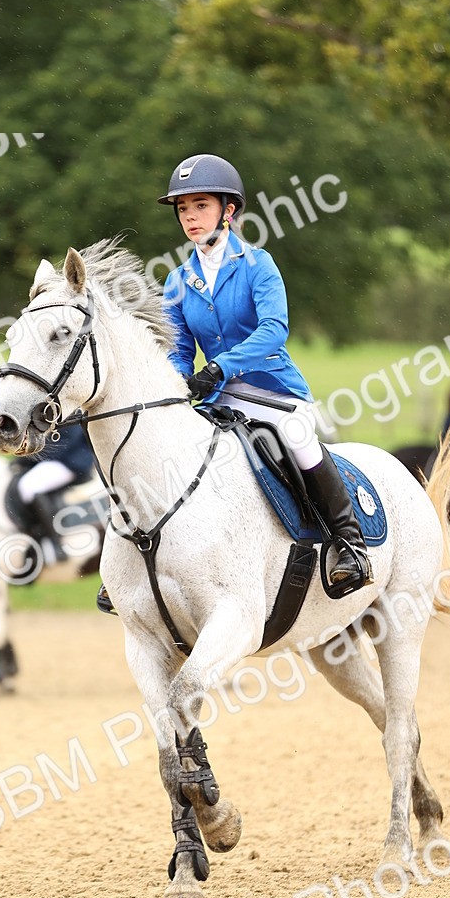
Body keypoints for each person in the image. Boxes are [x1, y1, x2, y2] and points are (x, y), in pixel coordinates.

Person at [160, 153, 372, 590]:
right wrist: (177, 381)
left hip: (273, 392)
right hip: (217, 398)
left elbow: (274, 330)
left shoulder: (259, 265)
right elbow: (181, 349)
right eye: (183, 209)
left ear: (228, 211)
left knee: (298, 438)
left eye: (200, 205)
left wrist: (218, 366)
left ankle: (348, 542)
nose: (190, 217)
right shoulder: (178, 281)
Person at [8, 423, 94, 564]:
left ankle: (56, 543)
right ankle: (38, 535)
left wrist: (29, 458)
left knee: (29, 487)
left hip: (71, 460)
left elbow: (64, 441)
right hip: (58, 458)